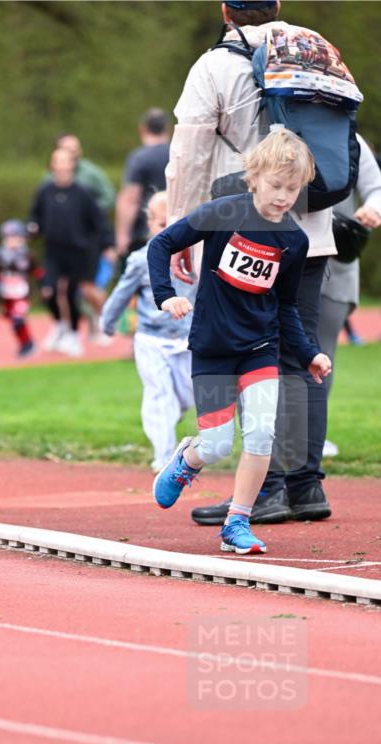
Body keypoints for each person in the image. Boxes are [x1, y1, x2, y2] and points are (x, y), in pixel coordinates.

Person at [166, 0, 345, 526]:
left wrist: (180, 228)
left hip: (243, 232)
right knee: (301, 355)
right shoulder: (316, 50)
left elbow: (189, 153)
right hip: (312, 229)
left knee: (250, 347)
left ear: (225, 11)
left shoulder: (215, 66)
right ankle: (306, 486)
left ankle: (266, 489)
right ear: (278, 6)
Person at [148, 131, 331, 556]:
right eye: (275, 185)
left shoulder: (294, 241)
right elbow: (162, 244)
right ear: (254, 177)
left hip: (260, 349)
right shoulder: (222, 213)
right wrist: (166, 295)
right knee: (215, 445)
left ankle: (237, 522)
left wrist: (309, 353)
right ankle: (187, 460)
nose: (283, 197)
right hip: (213, 349)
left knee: (262, 433)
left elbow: (286, 307)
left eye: (292, 189)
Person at [101, 192, 194, 472]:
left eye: (175, 225)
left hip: (188, 341)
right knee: (159, 395)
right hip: (151, 339)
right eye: (162, 224)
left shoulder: (196, 257)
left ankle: (169, 415)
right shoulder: (141, 260)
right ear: (150, 223)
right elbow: (122, 292)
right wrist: (108, 322)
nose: (169, 232)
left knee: (188, 395)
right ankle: (163, 458)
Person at [317, 135, 381, 457]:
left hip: (335, 264)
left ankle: (313, 438)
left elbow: (376, 188)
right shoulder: (278, 128)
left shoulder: (349, 140)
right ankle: (273, 441)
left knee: (321, 356)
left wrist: (372, 208)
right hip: (279, 262)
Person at [28, 147, 114, 357]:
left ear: (72, 165)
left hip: (78, 252)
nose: (61, 166)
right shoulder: (45, 191)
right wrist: (32, 228)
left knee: (72, 294)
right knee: (48, 290)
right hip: (53, 251)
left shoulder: (82, 193)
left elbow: (98, 222)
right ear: (52, 165)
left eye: (65, 161)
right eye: (57, 161)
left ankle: (75, 335)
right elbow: (35, 216)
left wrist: (107, 245)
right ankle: (60, 325)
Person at [55, 133, 117, 337]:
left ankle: (109, 320)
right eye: (67, 149)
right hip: (64, 243)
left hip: (88, 241)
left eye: (75, 149)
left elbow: (109, 197)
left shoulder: (91, 174)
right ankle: (67, 330)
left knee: (88, 287)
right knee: (61, 288)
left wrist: (85, 212)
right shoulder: (51, 179)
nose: (72, 154)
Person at [115, 108, 171, 259]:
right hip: (176, 229)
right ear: (167, 129)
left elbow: (130, 199)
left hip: (144, 233)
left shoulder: (139, 158)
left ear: (143, 128)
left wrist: (122, 235)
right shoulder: (178, 154)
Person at [0, 219, 38, 358]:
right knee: (13, 321)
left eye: (15, 237)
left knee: (18, 319)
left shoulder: (26, 255)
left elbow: (36, 272)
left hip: (22, 294)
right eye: (8, 237)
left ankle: (28, 344)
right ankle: (24, 343)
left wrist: (45, 285)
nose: (12, 241)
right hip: (8, 295)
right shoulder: (2, 255)